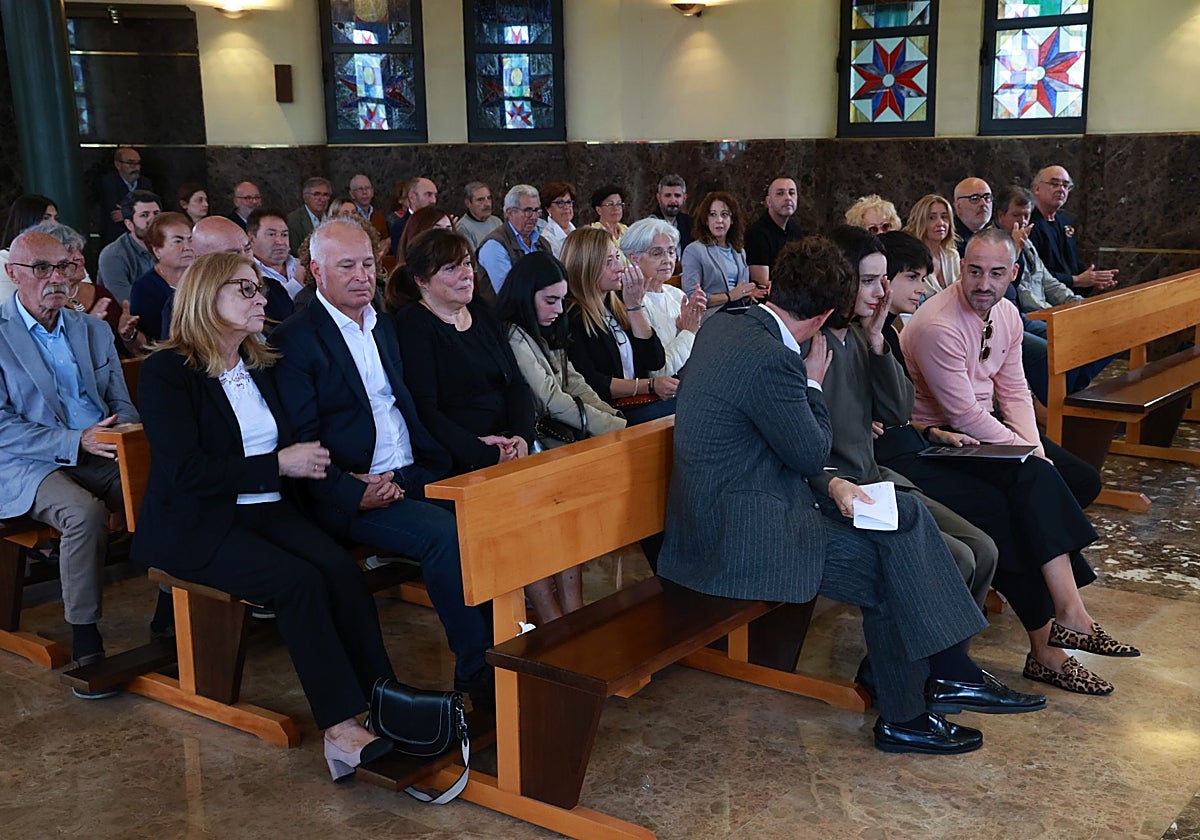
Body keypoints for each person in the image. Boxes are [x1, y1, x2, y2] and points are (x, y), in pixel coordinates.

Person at [657, 235, 1034, 755]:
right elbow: (812, 451)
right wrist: (812, 384)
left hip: (749, 506)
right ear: (826, 313)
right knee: (889, 572)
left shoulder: (730, 324)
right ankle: (925, 696)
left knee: (904, 518)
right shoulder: (773, 358)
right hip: (738, 536)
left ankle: (939, 680)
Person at [134, 251, 395, 779]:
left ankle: (386, 701)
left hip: (267, 510)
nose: (262, 299)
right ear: (208, 297)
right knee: (297, 582)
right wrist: (276, 465)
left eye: (261, 289)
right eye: (246, 290)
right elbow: (186, 472)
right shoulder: (168, 371)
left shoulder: (258, 362)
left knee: (342, 571)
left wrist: (346, 479)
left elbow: (300, 442)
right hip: (199, 523)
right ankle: (342, 731)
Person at [900, 228, 1140, 695]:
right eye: (973, 271)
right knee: (1018, 500)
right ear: (961, 268)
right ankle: (1063, 627)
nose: (983, 284)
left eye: (995, 274)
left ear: (1012, 274)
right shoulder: (937, 325)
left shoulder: (1007, 312)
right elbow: (963, 414)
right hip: (943, 443)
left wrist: (1034, 450)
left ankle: (1065, 620)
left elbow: (1013, 390)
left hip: (983, 432)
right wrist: (1028, 456)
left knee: (1079, 479)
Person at [271, 218, 493, 708]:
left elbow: (408, 407)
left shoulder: (383, 325)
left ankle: (513, 646)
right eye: (346, 265)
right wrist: (354, 491)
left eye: (368, 264)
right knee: (445, 536)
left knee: (495, 512)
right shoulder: (298, 339)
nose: (361, 275)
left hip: (414, 469)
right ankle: (478, 670)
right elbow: (299, 444)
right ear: (316, 271)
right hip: (353, 488)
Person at [821, 226, 997, 612]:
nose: (880, 293)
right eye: (868, 282)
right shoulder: (814, 342)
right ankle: (923, 663)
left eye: (881, 281)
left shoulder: (863, 336)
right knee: (959, 558)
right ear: (839, 278)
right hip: (843, 489)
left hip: (875, 479)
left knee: (983, 549)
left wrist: (878, 342)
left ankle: (949, 661)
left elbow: (898, 412)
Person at [0, 231, 139, 690]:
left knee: (158, 490)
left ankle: (175, 607)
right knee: (84, 514)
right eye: (42, 268)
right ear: (12, 273)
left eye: (64, 267)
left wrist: (120, 436)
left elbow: (124, 402)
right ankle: (84, 633)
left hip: (97, 446)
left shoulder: (92, 329)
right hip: (25, 460)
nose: (56, 278)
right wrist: (74, 439)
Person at [495, 250, 625, 623]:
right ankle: (553, 618)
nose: (557, 308)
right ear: (525, 295)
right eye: (549, 300)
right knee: (547, 525)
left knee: (571, 523)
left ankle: (573, 611)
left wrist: (610, 415)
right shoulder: (514, 335)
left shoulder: (544, 327)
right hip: (531, 445)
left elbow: (573, 381)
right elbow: (551, 401)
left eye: (561, 299)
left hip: (556, 443)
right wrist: (615, 428)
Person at [393, 228, 535, 473]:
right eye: (451, 268)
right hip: (461, 457)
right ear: (421, 280)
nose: (466, 275)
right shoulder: (414, 324)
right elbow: (426, 411)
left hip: (510, 447)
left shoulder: (480, 311)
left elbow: (516, 383)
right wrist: (482, 452)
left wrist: (522, 438)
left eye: (467, 264)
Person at [561, 227, 673, 424]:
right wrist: (650, 385)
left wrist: (634, 307)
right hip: (609, 410)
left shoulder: (618, 302)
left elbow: (654, 360)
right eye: (608, 262)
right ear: (586, 267)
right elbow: (594, 382)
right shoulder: (572, 315)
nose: (619, 267)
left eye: (617, 257)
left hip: (639, 399)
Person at [31, 221, 146, 359]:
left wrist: (129, 335)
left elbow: (139, 350)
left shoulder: (101, 294)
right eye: (69, 251)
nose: (79, 257)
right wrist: (84, 331)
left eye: (79, 250)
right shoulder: (43, 305)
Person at [620, 218, 705, 376]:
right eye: (657, 253)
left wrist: (694, 323)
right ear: (634, 258)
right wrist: (689, 332)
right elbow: (659, 372)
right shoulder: (633, 302)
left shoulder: (676, 294)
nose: (667, 260)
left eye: (671, 251)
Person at [1029, 165, 1118, 293]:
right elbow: (1034, 273)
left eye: (1066, 186)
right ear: (1036, 189)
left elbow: (1071, 264)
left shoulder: (1065, 222)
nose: (1061, 190)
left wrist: (1094, 279)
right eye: (1054, 184)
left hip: (1070, 297)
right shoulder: (1028, 223)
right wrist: (1076, 280)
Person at [682, 190, 761, 318]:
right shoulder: (694, 250)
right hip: (712, 316)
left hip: (739, 312)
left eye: (724, 215)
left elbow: (740, 290)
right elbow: (692, 296)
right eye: (713, 215)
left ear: (732, 220)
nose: (719, 220)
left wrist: (748, 294)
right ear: (706, 220)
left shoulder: (739, 251)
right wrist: (729, 296)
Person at [475, 184, 551, 299]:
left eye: (536, 210)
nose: (534, 217)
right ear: (510, 213)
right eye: (528, 211)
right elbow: (509, 295)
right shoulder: (494, 246)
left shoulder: (543, 243)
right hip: (504, 316)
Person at [129, 212, 195, 342]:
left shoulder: (203, 277)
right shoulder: (145, 288)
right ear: (157, 250)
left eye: (190, 240)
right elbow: (151, 339)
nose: (187, 247)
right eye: (178, 241)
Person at [383, 206, 454, 313]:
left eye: (448, 229)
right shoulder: (405, 284)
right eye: (437, 230)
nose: (445, 237)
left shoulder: (459, 275)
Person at [96, 189, 161, 305]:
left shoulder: (171, 245)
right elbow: (127, 303)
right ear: (129, 224)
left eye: (156, 214)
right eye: (144, 215)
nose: (153, 220)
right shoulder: (113, 255)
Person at [0, 194, 60, 302]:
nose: (55, 224)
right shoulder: (2, 259)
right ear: (27, 220)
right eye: (46, 218)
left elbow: (85, 289)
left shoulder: (64, 256)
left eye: (56, 218)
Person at [744, 176, 802, 286]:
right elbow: (762, 284)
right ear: (769, 201)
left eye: (792, 193)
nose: (788, 198)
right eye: (780, 193)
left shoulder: (796, 230)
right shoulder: (757, 234)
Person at [904, 193, 959, 296]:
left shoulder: (952, 256)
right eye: (932, 218)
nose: (940, 223)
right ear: (920, 222)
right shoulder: (910, 259)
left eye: (944, 217)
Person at [98, 147, 153, 245]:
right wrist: (140, 213)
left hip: (142, 237)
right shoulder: (109, 182)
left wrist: (126, 212)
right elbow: (115, 214)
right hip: (116, 237)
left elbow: (150, 209)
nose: (136, 168)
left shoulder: (145, 183)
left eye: (138, 163)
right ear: (118, 165)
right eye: (131, 163)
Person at [388, 176, 439, 256]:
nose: (433, 200)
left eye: (435, 195)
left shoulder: (439, 223)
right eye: (428, 195)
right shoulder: (400, 226)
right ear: (412, 197)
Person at [286, 177, 332, 257]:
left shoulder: (332, 218)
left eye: (325, 195)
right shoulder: (293, 221)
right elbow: (295, 253)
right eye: (316, 194)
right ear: (305, 198)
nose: (321, 199)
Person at [649, 174, 693, 252]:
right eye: (668, 195)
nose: (673, 200)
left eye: (677, 196)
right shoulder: (649, 226)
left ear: (684, 198)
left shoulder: (691, 224)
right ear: (659, 198)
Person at [456, 181, 503, 255]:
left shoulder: (496, 221)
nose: (487, 204)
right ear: (468, 203)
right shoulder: (463, 228)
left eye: (489, 198)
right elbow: (472, 259)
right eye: (480, 200)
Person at [538, 180, 577, 259]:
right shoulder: (546, 239)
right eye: (560, 203)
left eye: (569, 202)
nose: (566, 207)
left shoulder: (576, 232)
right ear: (548, 208)